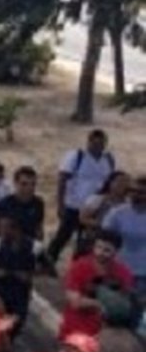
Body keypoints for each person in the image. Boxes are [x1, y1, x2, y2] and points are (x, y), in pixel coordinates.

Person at [50, 129, 116, 265]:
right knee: (62, 237)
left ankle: (78, 266)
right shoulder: (77, 156)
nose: (97, 145)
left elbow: (110, 183)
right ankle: (49, 261)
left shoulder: (108, 160)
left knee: (86, 241)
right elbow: (62, 179)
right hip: (74, 206)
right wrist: (60, 204)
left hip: (94, 209)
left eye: (101, 142)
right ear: (89, 141)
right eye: (94, 142)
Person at [62, 229, 134, 339]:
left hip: (105, 335)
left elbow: (126, 302)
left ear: (116, 251)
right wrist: (103, 304)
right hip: (76, 330)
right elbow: (75, 302)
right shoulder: (79, 266)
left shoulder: (124, 273)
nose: (100, 253)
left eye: (107, 250)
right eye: (98, 247)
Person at [102, 174, 146, 297]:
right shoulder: (116, 213)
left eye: (141, 192)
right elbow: (105, 240)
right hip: (118, 271)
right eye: (133, 191)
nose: (136, 195)